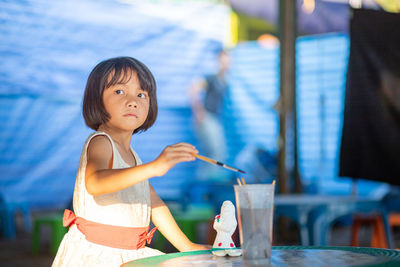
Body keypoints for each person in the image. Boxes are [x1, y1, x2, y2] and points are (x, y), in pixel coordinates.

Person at [52, 57, 209, 267]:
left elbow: (153, 203)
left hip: (130, 255)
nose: (132, 101)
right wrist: (154, 167)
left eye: (141, 94)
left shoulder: (133, 156)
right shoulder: (101, 141)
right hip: (98, 255)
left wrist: (186, 246)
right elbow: (95, 183)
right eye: (119, 91)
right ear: (96, 99)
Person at [189, 49, 231, 181]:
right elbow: (192, 89)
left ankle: (209, 186)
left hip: (214, 118)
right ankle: (207, 186)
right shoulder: (211, 78)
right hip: (207, 118)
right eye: (223, 60)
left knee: (216, 152)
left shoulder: (223, 80)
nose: (226, 63)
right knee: (214, 152)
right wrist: (198, 112)